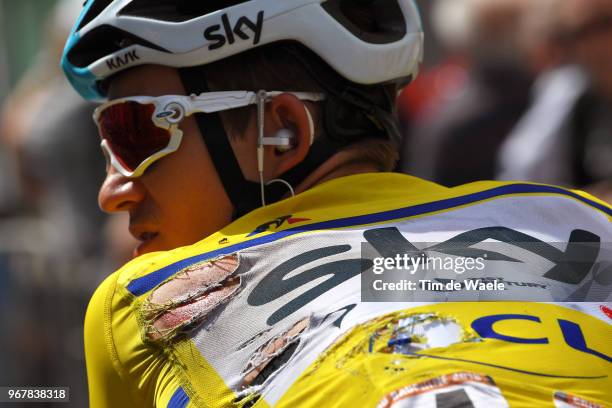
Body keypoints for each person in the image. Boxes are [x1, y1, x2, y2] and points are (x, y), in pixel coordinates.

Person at [62, 1, 611, 407]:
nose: (112, 192)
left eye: (135, 133)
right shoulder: (582, 223)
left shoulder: (150, 298)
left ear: (278, 132)